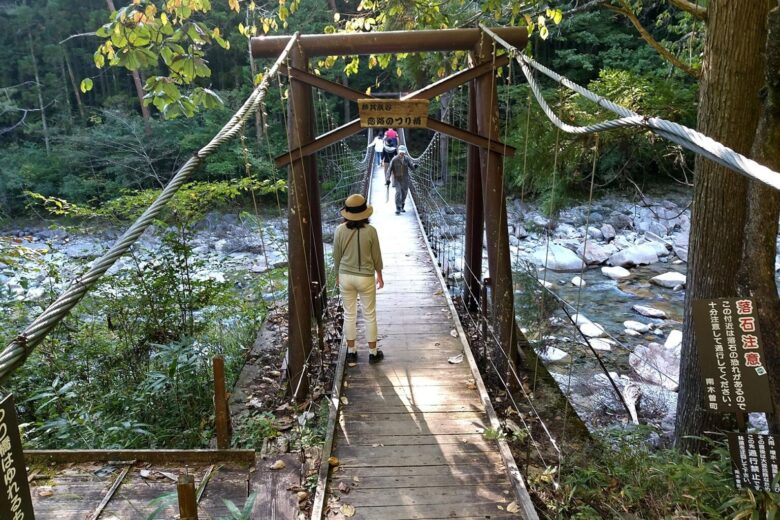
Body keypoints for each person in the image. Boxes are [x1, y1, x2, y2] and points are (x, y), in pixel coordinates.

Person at [333, 194, 385, 364]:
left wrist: (337, 275)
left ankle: (352, 352)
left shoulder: (339, 230)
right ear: (365, 213)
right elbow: (376, 256)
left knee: (349, 314)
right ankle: (373, 353)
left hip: (345, 276)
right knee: (369, 315)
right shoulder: (371, 231)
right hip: (365, 277)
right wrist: (379, 275)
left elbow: (336, 256)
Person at [385, 144, 417, 215]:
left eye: (403, 152)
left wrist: (414, 166)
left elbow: (412, 167)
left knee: (404, 193)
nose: (401, 154)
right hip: (397, 179)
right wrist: (387, 179)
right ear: (398, 152)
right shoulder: (394, 159)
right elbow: (389, 170)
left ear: (404, 152)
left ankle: (402, 205)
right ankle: (398, 208)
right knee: (398, 192)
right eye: (400, 152)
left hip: (405, 179)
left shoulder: (407, 159)